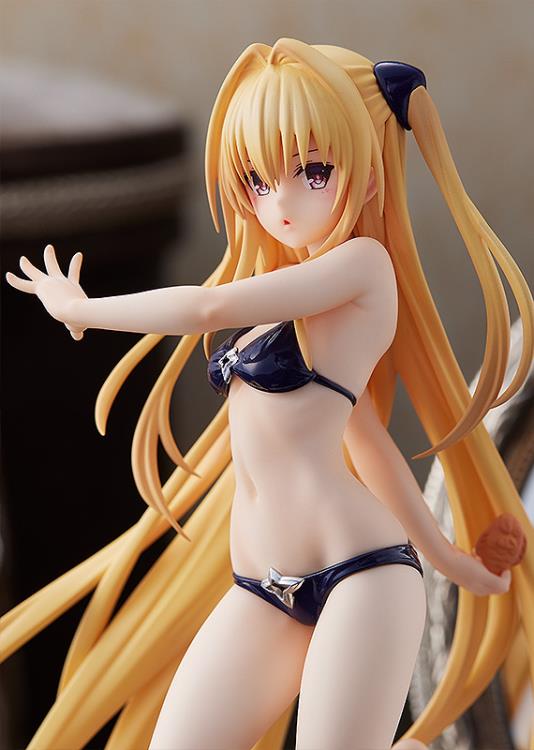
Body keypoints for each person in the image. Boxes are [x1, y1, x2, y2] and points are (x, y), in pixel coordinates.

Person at [3, 38, 533, 750]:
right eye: (256, 178)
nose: (279, 202)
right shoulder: (298, 301)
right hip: (262, 588)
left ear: (369, 176)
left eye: (313, 171)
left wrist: (84, 309)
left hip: (360, 576)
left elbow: (206, 308)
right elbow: (367, 443)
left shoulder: (364, 266)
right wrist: (451, 556)